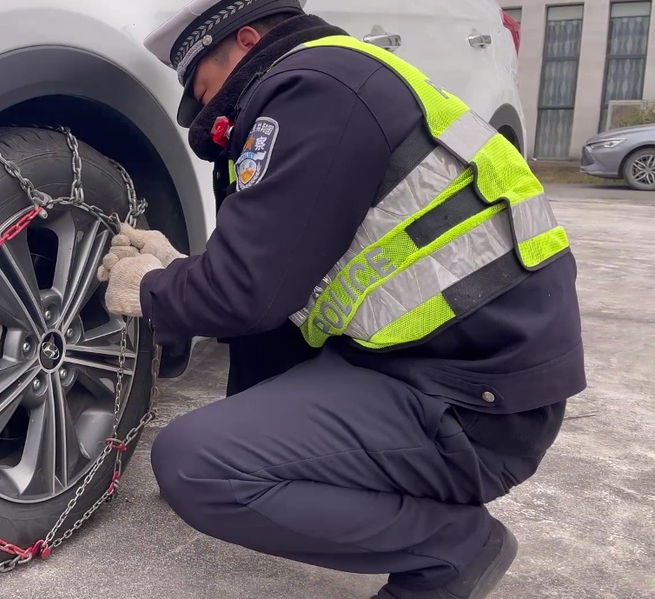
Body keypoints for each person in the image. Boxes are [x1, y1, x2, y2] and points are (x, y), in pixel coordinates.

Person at [95, 1, 587, 598]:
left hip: (474, 406)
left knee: (196, 465)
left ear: (246, 40)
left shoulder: (312, 91)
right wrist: (182, 270)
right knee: (211, 462)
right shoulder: (345, 81)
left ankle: (452, 549)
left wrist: (151, 287)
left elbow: (250, 293)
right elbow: (294, 265)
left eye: (205, 84)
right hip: (446, 365)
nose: (204, 110)